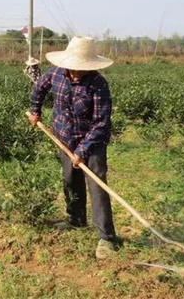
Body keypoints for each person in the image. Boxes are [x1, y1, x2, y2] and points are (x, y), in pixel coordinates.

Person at [27, 36, 118, 259]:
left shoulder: (98, 84)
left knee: (97, 186)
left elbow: (101, 123)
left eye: (80, 69)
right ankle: (75, 219)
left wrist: (82, 150)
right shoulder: (56, 73)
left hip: (93, 141)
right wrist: (35, 110)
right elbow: (39, 89)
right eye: (73, 67)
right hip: (64, 137)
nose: (75, 72)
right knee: (69, 178)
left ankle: (107, 238)